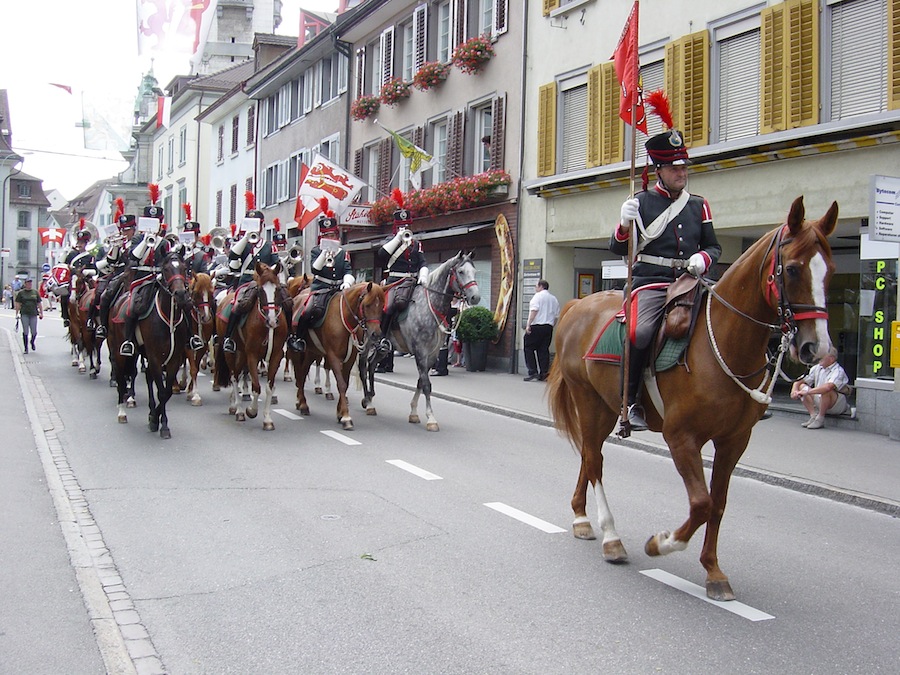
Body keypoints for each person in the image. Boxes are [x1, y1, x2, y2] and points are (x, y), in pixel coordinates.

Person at [610, 95, 721, 431]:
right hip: (652, 283)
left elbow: (713, 247)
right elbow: (618, 250)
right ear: (658, 169)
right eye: (675, 168)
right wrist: (624, 224)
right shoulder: (640, 202)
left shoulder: (698, 204)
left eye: (684, 167)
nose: (681, 173)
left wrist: (703, 258)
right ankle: (630, 402)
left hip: (691, 281)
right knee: (641, 332)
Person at [287, 204, 354, 352]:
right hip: (321, 289)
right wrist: (325, 252)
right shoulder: (316, 251)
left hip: (339, 288)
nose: (330, 238)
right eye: (326, 236)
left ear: (336, 236)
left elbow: (348, 270)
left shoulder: (343, 253)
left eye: (332, 235)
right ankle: (299, 339)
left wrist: (347, 283)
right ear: (321, 237)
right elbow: (315, 269)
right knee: (308, 311)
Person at [374, 189, 428, 373]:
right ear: (396, 227)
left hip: (412, 282)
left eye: (406, 226)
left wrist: (423, 274)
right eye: (401, 226)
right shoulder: (390, 240)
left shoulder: (416, 243)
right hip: (394, 283)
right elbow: (381, 256)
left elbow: (422, 262)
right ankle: (382, 344)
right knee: (387, 309)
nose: (404, 229)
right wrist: (398, 238)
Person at [221, 194, 282, 353]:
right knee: (236, 306)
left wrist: (271, 273)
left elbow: (276, 262)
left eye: (257, 225)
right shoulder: (242, 245)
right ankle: (228, 338)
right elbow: (233, 256)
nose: (255, 229)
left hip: (266, 281)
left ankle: (290, 337)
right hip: (247, 281)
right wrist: (246, 237)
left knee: (286, 302)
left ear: (262, 226)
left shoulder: (269, 245)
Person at [791, 347, 851, 429]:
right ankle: (813, 416)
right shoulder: (817, 368)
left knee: (826, 390)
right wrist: (794, 390)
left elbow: (828, 387)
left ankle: (820, 419)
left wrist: (808, 392)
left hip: (836, 405)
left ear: (831, 358)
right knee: (802, 386)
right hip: (820, 399)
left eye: (822, 355)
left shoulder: (838, 371)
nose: (818, 358)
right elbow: (800, 381)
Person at [523, 279, 560, 382]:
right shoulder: (553, 299)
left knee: (528, 348)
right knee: (543, 349)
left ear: (540, 286)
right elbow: (556, 316)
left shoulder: (537, 297)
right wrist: (552, 325)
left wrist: (528, 325)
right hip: (548, 327)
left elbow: (534, 310)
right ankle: (544, 372)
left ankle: (533, 371)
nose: (535, 288)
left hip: (536, 326)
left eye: (536, 286)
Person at [15, 277, 43, 353]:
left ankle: (32, 341)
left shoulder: (35, 292)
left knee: (34, 331)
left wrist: (41, 313)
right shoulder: (21, 293)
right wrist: (17, 313)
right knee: (26, 331)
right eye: (28, 283)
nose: (29, 284)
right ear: (25, 284)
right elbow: (18, 303)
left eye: (30, 283)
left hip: (33, 313)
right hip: (24, 313)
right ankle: (26, 348)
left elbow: (39, 303)